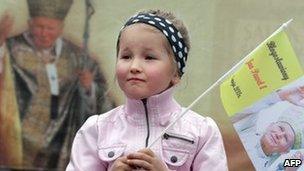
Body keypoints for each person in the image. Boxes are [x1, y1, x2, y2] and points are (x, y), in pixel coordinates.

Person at [66, 9, 227, 171]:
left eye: (149, 57)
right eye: (126, 56)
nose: (134, 66)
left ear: (176, 73)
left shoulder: (202, 132)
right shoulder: (96, 130)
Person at [0, 0, 114, 169]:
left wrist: (89, 88)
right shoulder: (10, 48)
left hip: (61, 144)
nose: (44, 33)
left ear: (61, 28)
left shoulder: (77, 57)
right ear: (30, 24)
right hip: (19, 143)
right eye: (39, 27)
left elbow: (104, 103)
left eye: (50, 28)